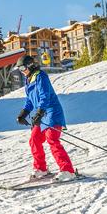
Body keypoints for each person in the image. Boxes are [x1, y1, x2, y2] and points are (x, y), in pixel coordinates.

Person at [16, 53, 77, 181]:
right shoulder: (28, 80)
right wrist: (24, 113)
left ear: (30, 65)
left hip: (52, 112)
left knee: (52, 139)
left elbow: (45, 96)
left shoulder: (41, 76)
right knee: (34, 139)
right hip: (42, 114)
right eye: (19, 70)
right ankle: (41, 169)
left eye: (22, 68)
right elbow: (29, 100)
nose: (22, 72)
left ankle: (67, 170)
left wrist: (39, 113)